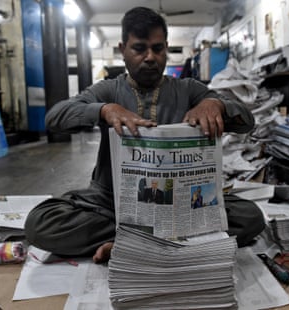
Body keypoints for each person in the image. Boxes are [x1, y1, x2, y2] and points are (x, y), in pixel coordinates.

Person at [24, 6, 264, 264]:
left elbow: (246, 122)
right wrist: (104, 110)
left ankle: (128, 243)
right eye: (139, 48)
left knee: (251, 217)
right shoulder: (108, 90)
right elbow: (55, 117)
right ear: (122, 49)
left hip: (180, 206)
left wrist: (216, 105)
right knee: (40, 223)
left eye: (158, 48)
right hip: (111, 203)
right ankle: (171, 242)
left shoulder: (188, 89)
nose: (150, 57)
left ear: (166, 48)